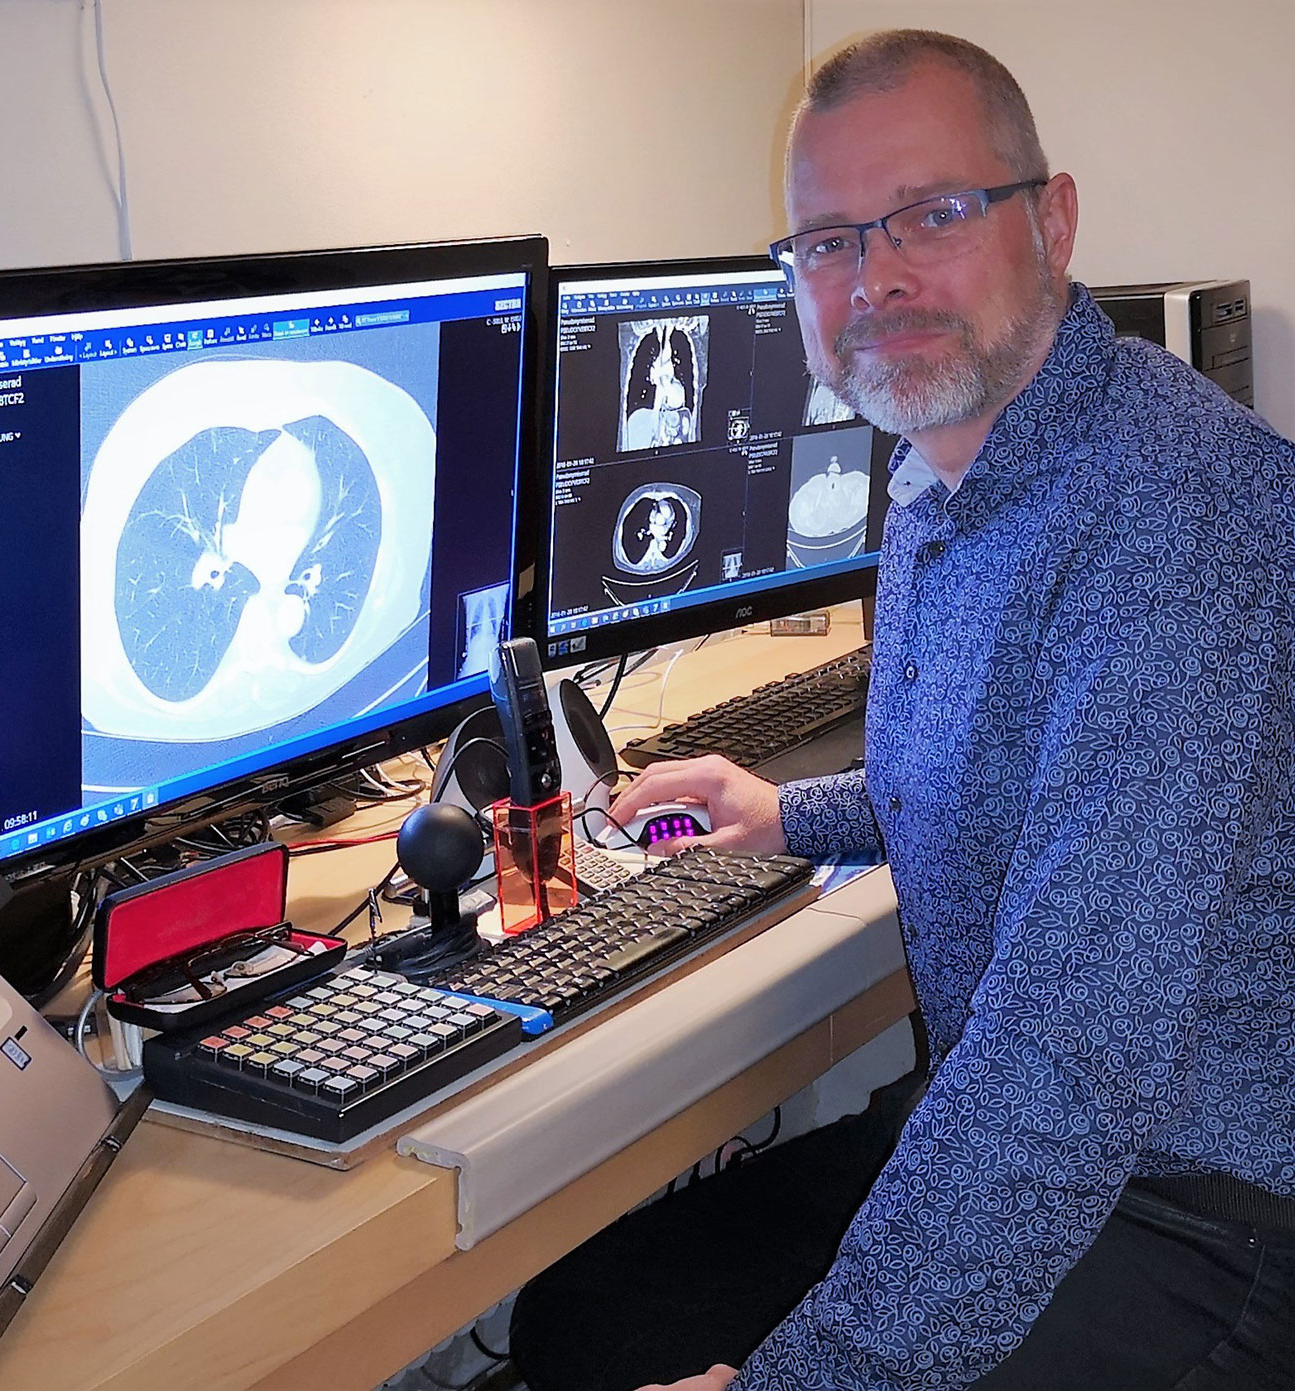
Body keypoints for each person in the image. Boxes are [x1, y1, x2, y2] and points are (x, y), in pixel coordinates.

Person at [510, 28, 1295, 1391]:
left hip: (1202, 1205)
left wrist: (813, 1381)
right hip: (1012, 1120)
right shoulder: (942, 479)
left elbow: (1075, 1050)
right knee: (592, 1312)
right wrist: (791, 811)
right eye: (826, 240)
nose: (876, 278)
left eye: (931, 214)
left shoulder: (1173, 514)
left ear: (1051, 221)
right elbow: (1023, 784)